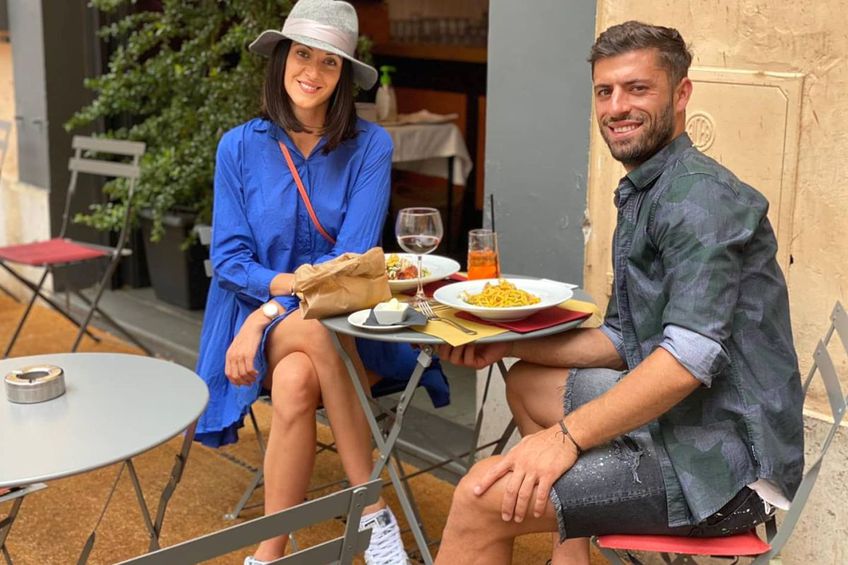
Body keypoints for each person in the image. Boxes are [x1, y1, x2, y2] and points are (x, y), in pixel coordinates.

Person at [433, 21, 803, 565]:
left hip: (726, 469)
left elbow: (687, 359)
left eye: (637, 88)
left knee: (478, 499)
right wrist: (506, 345)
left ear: (681, 93)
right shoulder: (650, 187)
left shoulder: (701, 200)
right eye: (605, 91)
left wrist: (566, 438)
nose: (616, 107)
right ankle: (570, 558)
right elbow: (621, 339)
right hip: (691, 420)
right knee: (529, 383)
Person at [194, 1, 434, 563]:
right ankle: (373, 509)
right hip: (257, 312)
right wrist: (263, 311)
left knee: (298, 379)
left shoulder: (370, 146)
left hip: (343, 318)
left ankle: (268, 553)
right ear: (281, 58)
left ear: (344, 75)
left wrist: (264, 316)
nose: (313, 71)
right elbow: (229, 260)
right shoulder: (238, 147)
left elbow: (347, 264)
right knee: (316, 333)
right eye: (302, 54)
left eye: (330, 62)